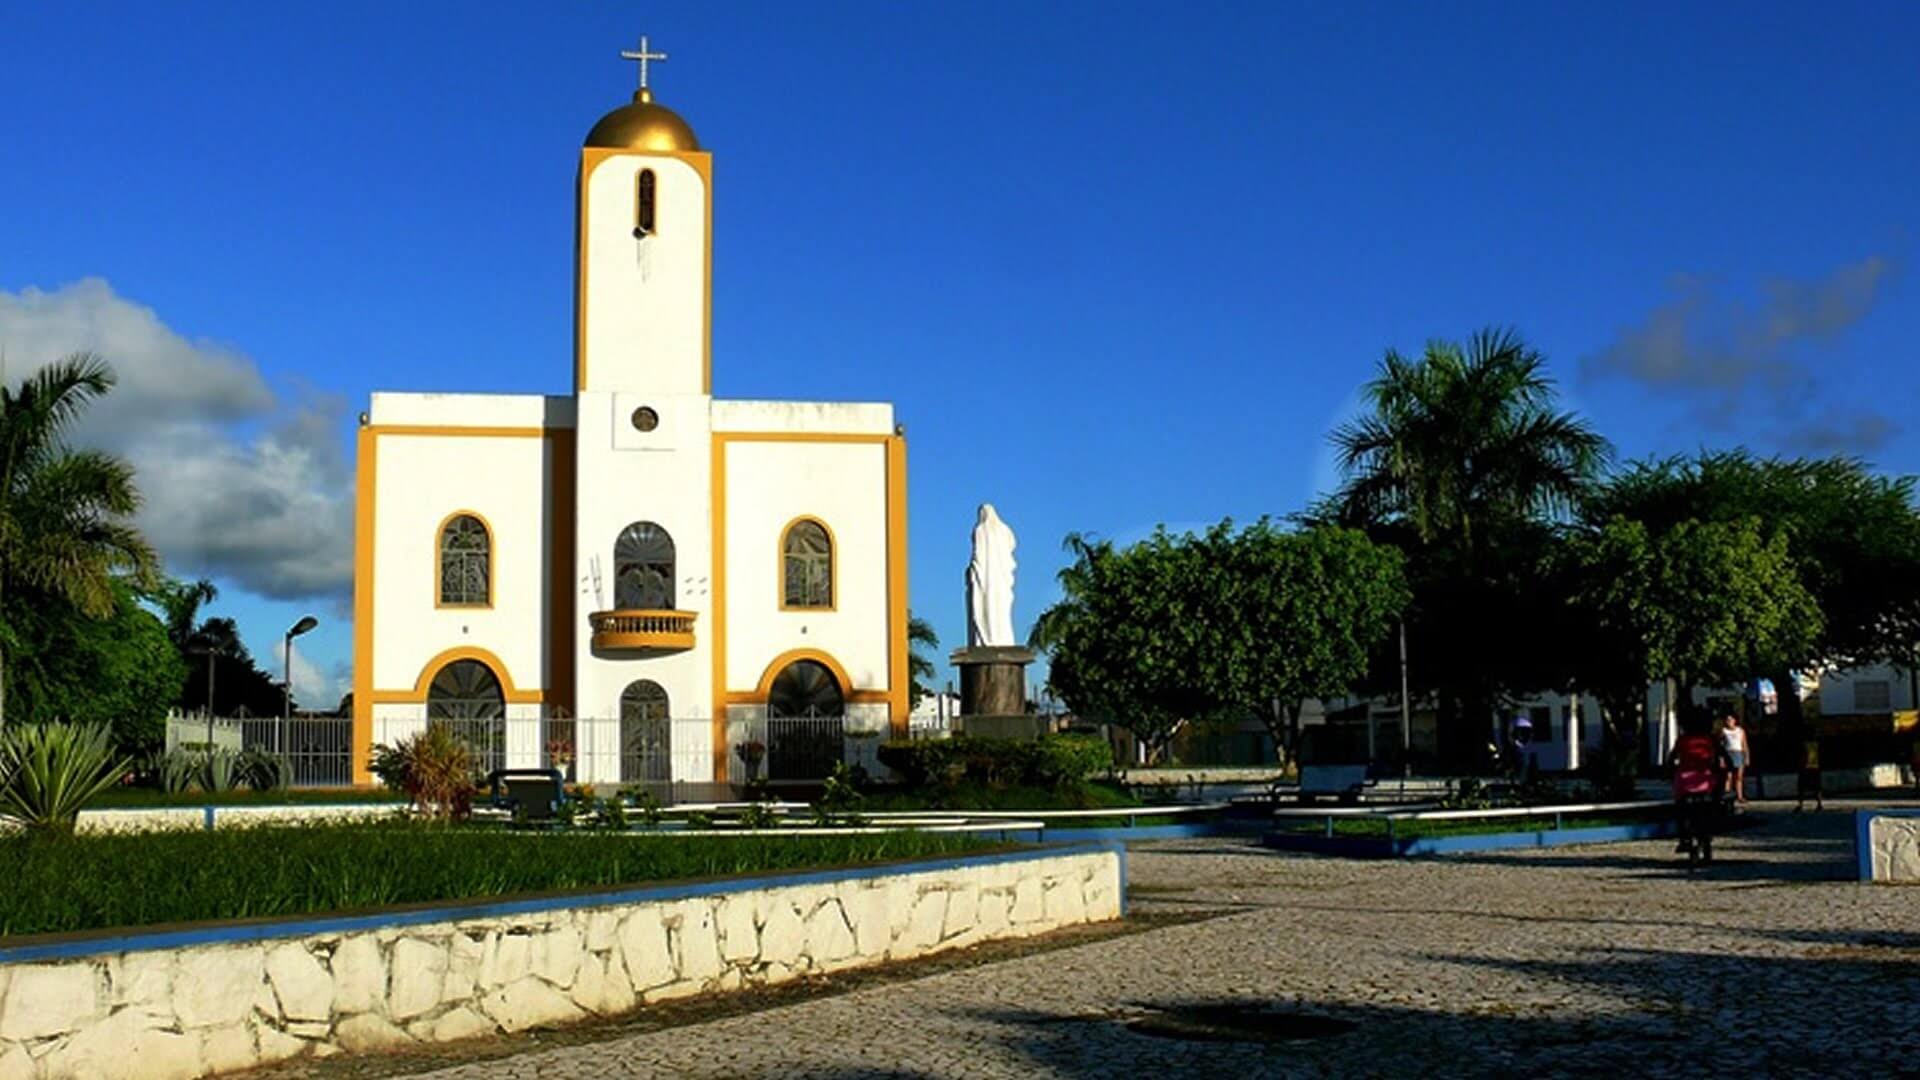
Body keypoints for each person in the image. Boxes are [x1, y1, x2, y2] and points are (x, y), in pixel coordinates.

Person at [1671, 717, 1725, 863]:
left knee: (1680, 809)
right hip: (1705, 781)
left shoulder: (1682, 740)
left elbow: (1671, 759)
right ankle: (1714, 826)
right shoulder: (1710, 740)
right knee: (1714, 805)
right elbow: (1724, 758)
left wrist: (1667, 771)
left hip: (1685, 781)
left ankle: (1684, 838)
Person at [1718, 711, 1749, 805]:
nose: (1729, 721)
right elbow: (1720, 746)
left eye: (1731, 720)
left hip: (1738, 753)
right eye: (1727, 720)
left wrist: (1746, 757)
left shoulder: (1740, 731)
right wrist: (1721, 759)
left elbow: (1744, 745)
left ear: (1735, 720)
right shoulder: (1724, 731)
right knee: (1729, 776)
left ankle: (1740, 796)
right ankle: (1727, 795)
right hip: (1728, 753)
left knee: (1739, 776)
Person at [1796, 732, 1823, 812]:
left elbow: (1802, 757)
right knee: (1817, 787)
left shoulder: (1804, 745)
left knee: (1801, 787)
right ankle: (1819, 804)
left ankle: (1800, 805)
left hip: (1806, 769)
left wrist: (1800, 766)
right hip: (1815, 768)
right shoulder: (1816, 745)